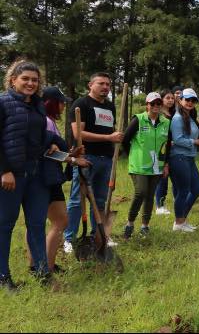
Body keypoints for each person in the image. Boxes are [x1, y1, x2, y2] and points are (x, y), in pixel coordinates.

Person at [0, 62, 71, 287]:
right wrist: (5, 170)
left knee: (37, 224)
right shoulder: (3, 103)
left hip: (36, 176)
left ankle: (43, 274)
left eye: (35, 80)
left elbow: (42, 136)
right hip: (11, 177)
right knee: (5, 225)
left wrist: (58, 146)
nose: (31, 83)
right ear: (13, 80)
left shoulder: (38, 106)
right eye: (26, 79)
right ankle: (3, 277)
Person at [65, 72, 122, 251]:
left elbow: (111, 132)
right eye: (101, 83)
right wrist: (108, 137)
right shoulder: (81, 104)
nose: (105, 87)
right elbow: (78, 134)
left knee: (100, 199)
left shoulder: (111, 107)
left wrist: (113, 142)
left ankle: (96, 234)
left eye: (108, 84)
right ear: (91, 85)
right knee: (77, 199)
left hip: (106, 159)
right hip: (86, 159)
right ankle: (69, 238)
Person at [121, 92, 171, 239]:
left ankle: (145, 226)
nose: (156, 106)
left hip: (156, 166)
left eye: (158, 104)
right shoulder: (138, 119)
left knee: (150, 196)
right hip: (139, 165)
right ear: (147, 105)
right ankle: (130, 223)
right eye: (153, 103)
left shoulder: (166, 123)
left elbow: (167, 146)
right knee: (140, 192)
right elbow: (125, 139)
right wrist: (133, 154)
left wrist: (166, 164)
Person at [38, 87, 74, 272]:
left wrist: (70, 154)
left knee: (36, 223)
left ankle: (35, 265)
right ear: (51, 102)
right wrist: (72, 159)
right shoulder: (45, 122)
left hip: (45, 177)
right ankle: (47, 267)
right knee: (60, 221)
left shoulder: (47, 121)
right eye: (60, 102)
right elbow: (47, 153)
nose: (63, 106)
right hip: (47, 177)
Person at [168, 89, 199, 233]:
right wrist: (195, 142)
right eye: (187, 99)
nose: (190, 103)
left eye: (193, 100)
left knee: (196, 189)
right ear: (180, 100)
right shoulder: (177, 118)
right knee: (183, 190)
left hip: (189, 158)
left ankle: (182, 219)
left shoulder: (189, 117)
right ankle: (178, 223)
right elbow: (177, 140)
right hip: (179, 157)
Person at [154, 89, 177, 216]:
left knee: (173, 176)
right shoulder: (159, 114)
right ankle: (160, 205)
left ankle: (175, 200)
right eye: (167, 98)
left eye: (172, 98)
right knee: (163, 177)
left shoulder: (173, 113)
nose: (170, 100)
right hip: (162, 149)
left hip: (174, 150)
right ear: (162, 99)